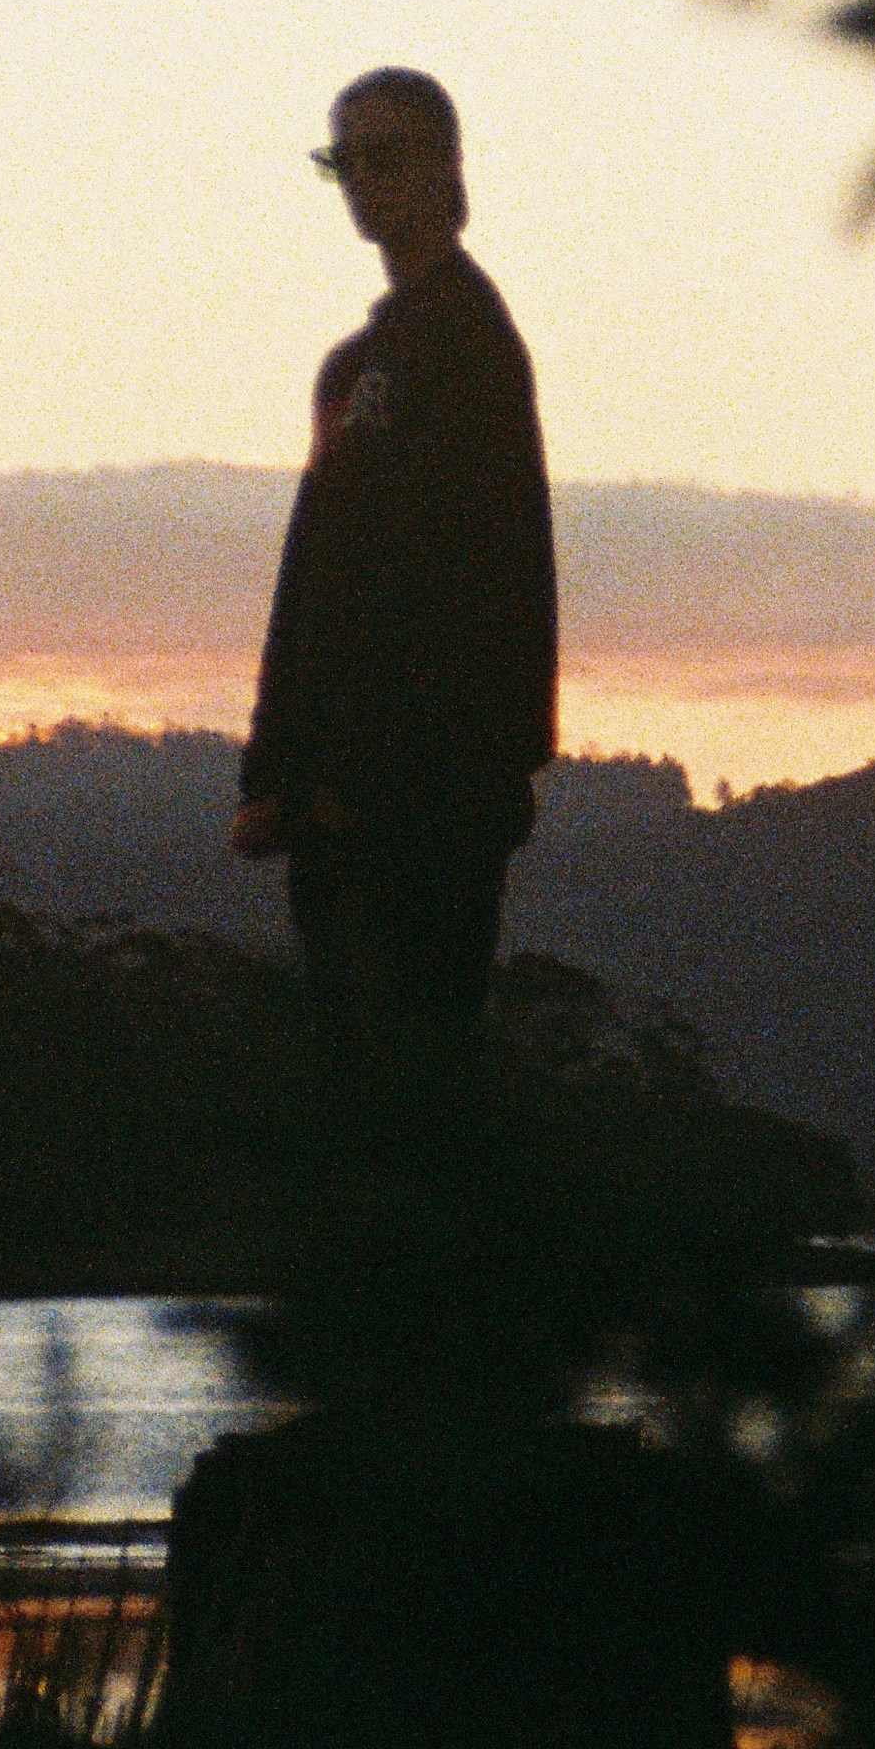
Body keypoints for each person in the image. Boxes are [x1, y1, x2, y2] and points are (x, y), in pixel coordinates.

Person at [232, 69, 556, 1112]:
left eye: (386, 155)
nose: (362, 182)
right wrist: (272, 772)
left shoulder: (469, 345)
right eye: (343, 160)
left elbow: (485, 577)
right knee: (349, 1082)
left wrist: (419, 777)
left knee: (413, 1081)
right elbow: (312, 575)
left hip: (428, 797)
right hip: (332, 804)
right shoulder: (351, 368)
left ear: (446, 168)